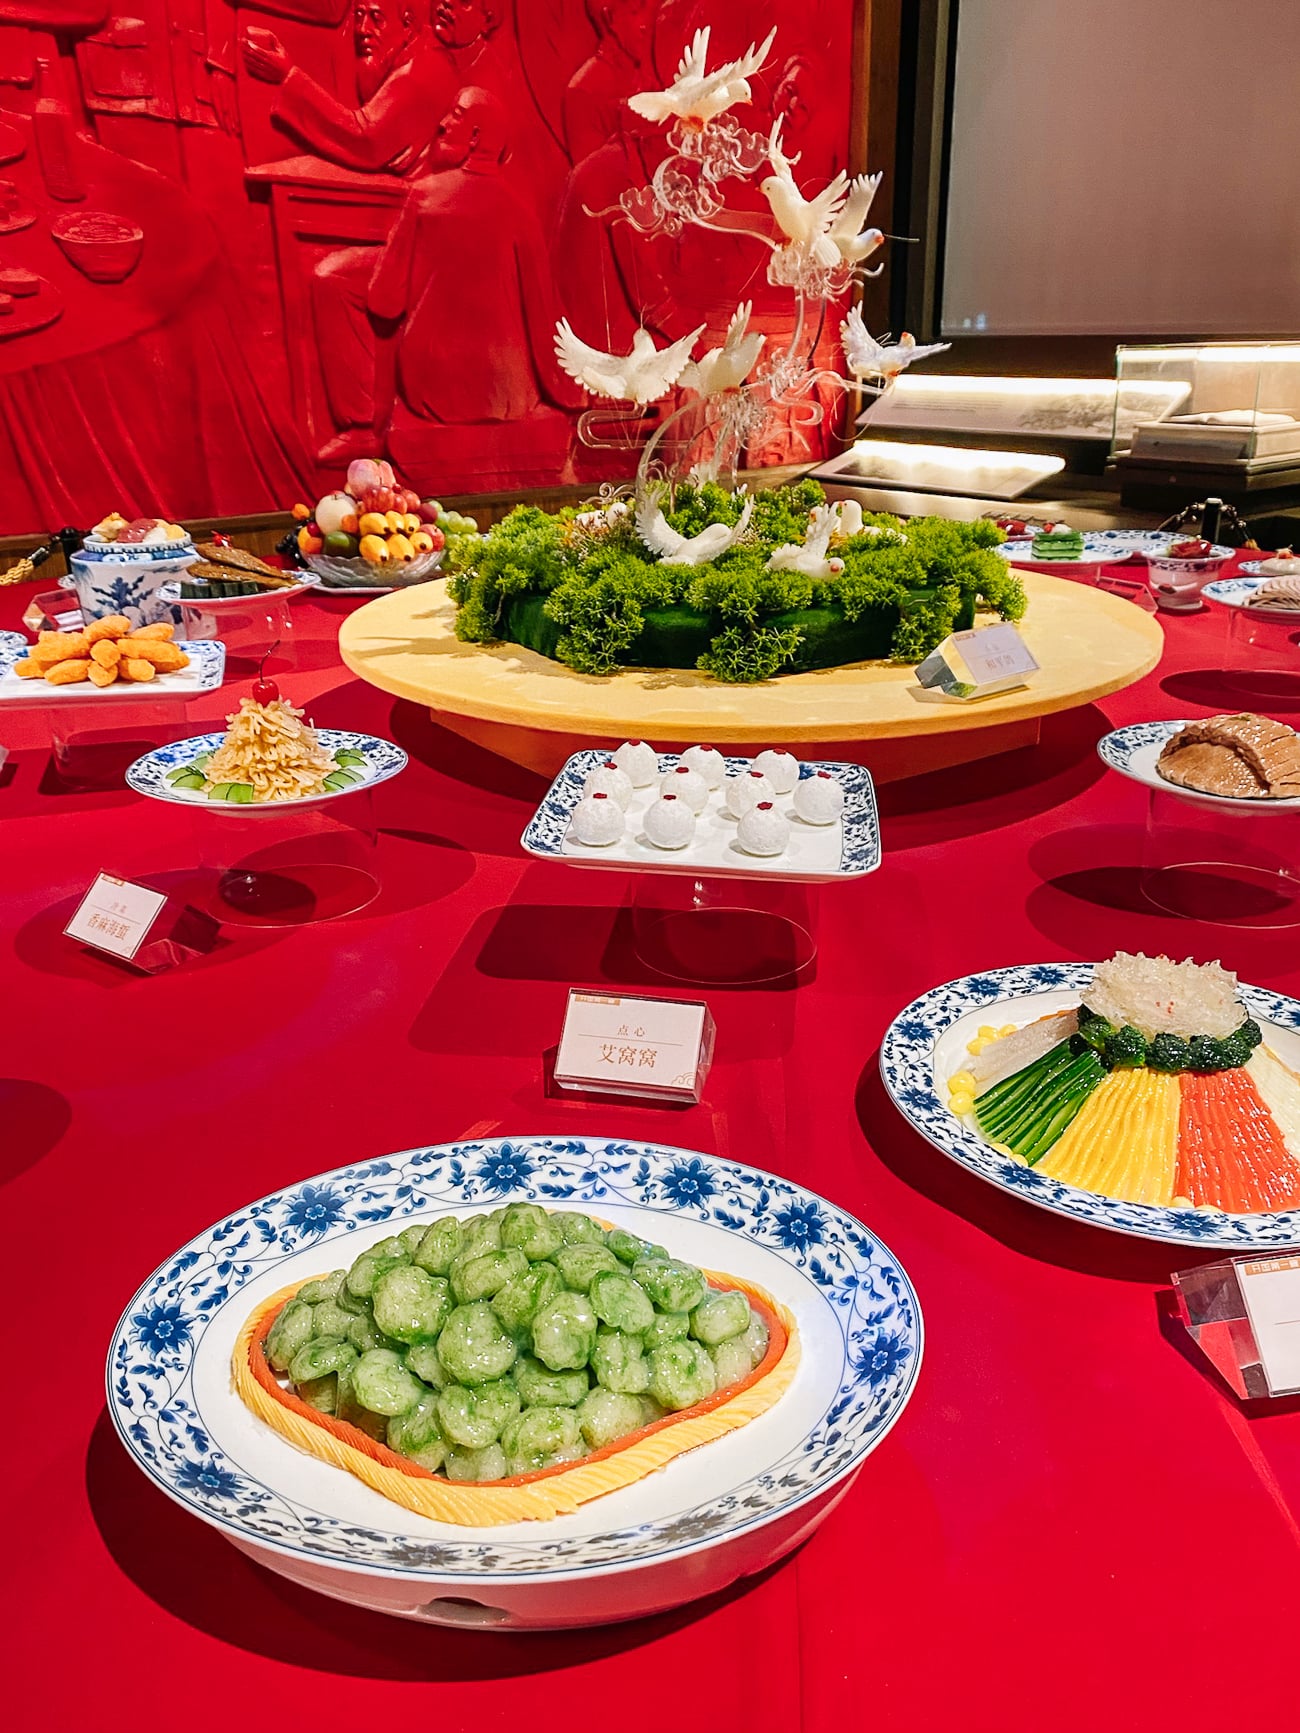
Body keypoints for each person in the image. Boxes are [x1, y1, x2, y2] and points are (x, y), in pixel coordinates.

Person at [368, 86, 581, 429]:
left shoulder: (422, 197)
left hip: (430, 389)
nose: (442, 123)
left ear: (475, 136)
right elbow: (542, 322)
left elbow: (383, 302)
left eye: (456, 114)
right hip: (507, 394)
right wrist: (574, 395)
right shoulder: (520, 212)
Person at [241, 1, 455, 175]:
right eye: (359, 16)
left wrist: (288, 76)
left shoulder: (419, 72)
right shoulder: (411, 57)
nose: (362, 29)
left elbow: (365, 141)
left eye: (376, 19)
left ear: (408, 25)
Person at [562, 0, 652, 166]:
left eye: (651, 9)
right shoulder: (584, 90)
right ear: (610, 18)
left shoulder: (656, 68)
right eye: (634, 12)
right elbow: (593, 183)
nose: (646, 24)